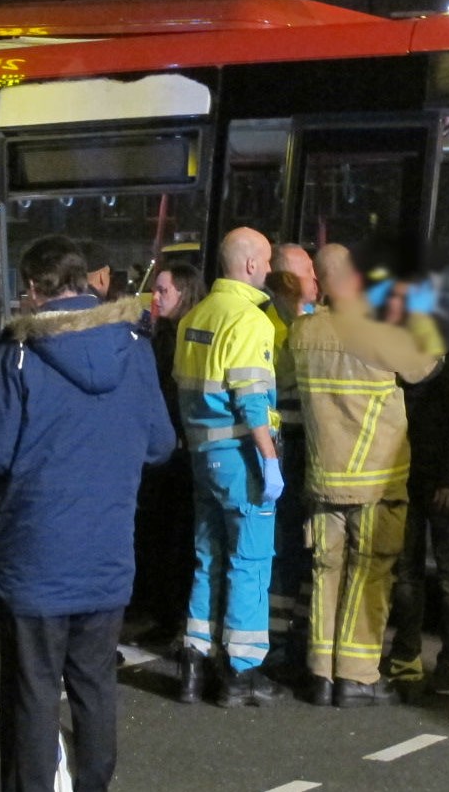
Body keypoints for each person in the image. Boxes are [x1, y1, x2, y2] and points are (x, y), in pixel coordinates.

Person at [0, 238, 175, 792]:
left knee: (33, 690)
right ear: (85, 281)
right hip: (107, 545)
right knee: (95, 683)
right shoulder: (133, 346)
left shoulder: (17, 351)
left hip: (35, 549)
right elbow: (159, 443)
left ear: (33, 288)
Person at [290, 245, 441, 707]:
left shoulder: (302, 332)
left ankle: (321, 674)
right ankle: (356, 676)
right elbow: (426, 365)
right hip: (375, 480)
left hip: (324, 477)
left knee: (326, 572)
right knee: (371, 576)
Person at [173, 227, 286, 707]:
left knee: (208, 557)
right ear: (249, 266)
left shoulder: (194, 317)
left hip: (201, 455)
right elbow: (252, 401)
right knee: (250, 563)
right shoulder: (250, 320)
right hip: (240, 458)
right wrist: (271, 460)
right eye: (265, 261)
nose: (269, 269)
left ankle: (193, 664)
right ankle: (240, 673)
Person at [381, 277, 449, 698]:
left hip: (432, 481)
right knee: (414, 573)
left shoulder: (448, 364)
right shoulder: (429, 360)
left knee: (435, 574)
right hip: (412, 478)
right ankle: (410, 656)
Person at [130, 261, 205, 646]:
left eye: (164, 291)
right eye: (155, 290)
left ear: (185, 293)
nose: (155, 299)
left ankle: (169, 616)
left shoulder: (181, 336)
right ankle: (156, 609)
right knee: (157, 533)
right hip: (164, 447)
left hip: (177, 450)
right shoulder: (159, 333)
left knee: (173, 537)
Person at [263, 242, 319, 681]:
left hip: (295, 448)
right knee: (285, 549)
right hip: (286, 449)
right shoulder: (279, 326)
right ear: (287, 281)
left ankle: (288, 637)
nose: (315, 281)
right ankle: (279, 645)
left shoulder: (298, 321)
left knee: (296, 549)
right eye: (308, 274)